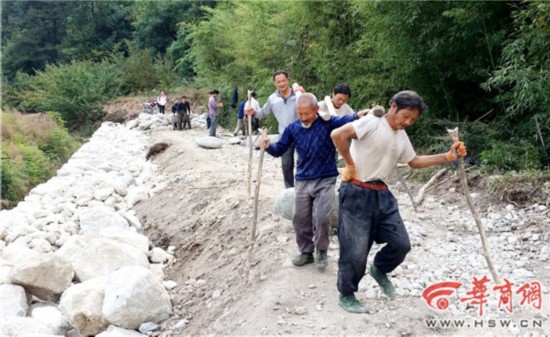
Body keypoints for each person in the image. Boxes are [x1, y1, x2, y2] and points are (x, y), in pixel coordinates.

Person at [330, 90, 467, 314]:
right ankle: (346, 293)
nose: (408, 122)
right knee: (354, 250)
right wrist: (350, 164)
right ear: (393, 106)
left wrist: (447, 156)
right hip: (356, 191)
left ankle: (379, 269)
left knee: (401, 243)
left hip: (381, 192)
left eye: (413, 119)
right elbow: (337, 135)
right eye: (406, 116)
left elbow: (413, 161)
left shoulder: (401, 136)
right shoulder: (372, 122)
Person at [260, 93, 366, 271]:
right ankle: (306, 252)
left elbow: (344, 121)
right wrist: (268, 146)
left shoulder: (327, 122)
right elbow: (279, 150)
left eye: (307, 113)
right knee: (300, 218)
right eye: (299, 114)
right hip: (302, 180)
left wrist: (358, 115)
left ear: (316, 110)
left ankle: (322, 251)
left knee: (322, 217)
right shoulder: (293, 128)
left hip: (325, 178)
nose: (303, 117)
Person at [245, 70, 305, 188]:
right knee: (286, 164)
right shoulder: (272, 98)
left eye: (283, 81)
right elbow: (262, 112)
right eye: (278, 82)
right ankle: (289, 189)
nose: (281, 84)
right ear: (275, 83)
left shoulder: (298, 94)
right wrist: (253, 112)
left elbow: (310, 106)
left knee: (303, 161)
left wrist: (302, 92)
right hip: (285, 135)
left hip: (302, 133)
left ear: (288, 80)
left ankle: (303, 188)